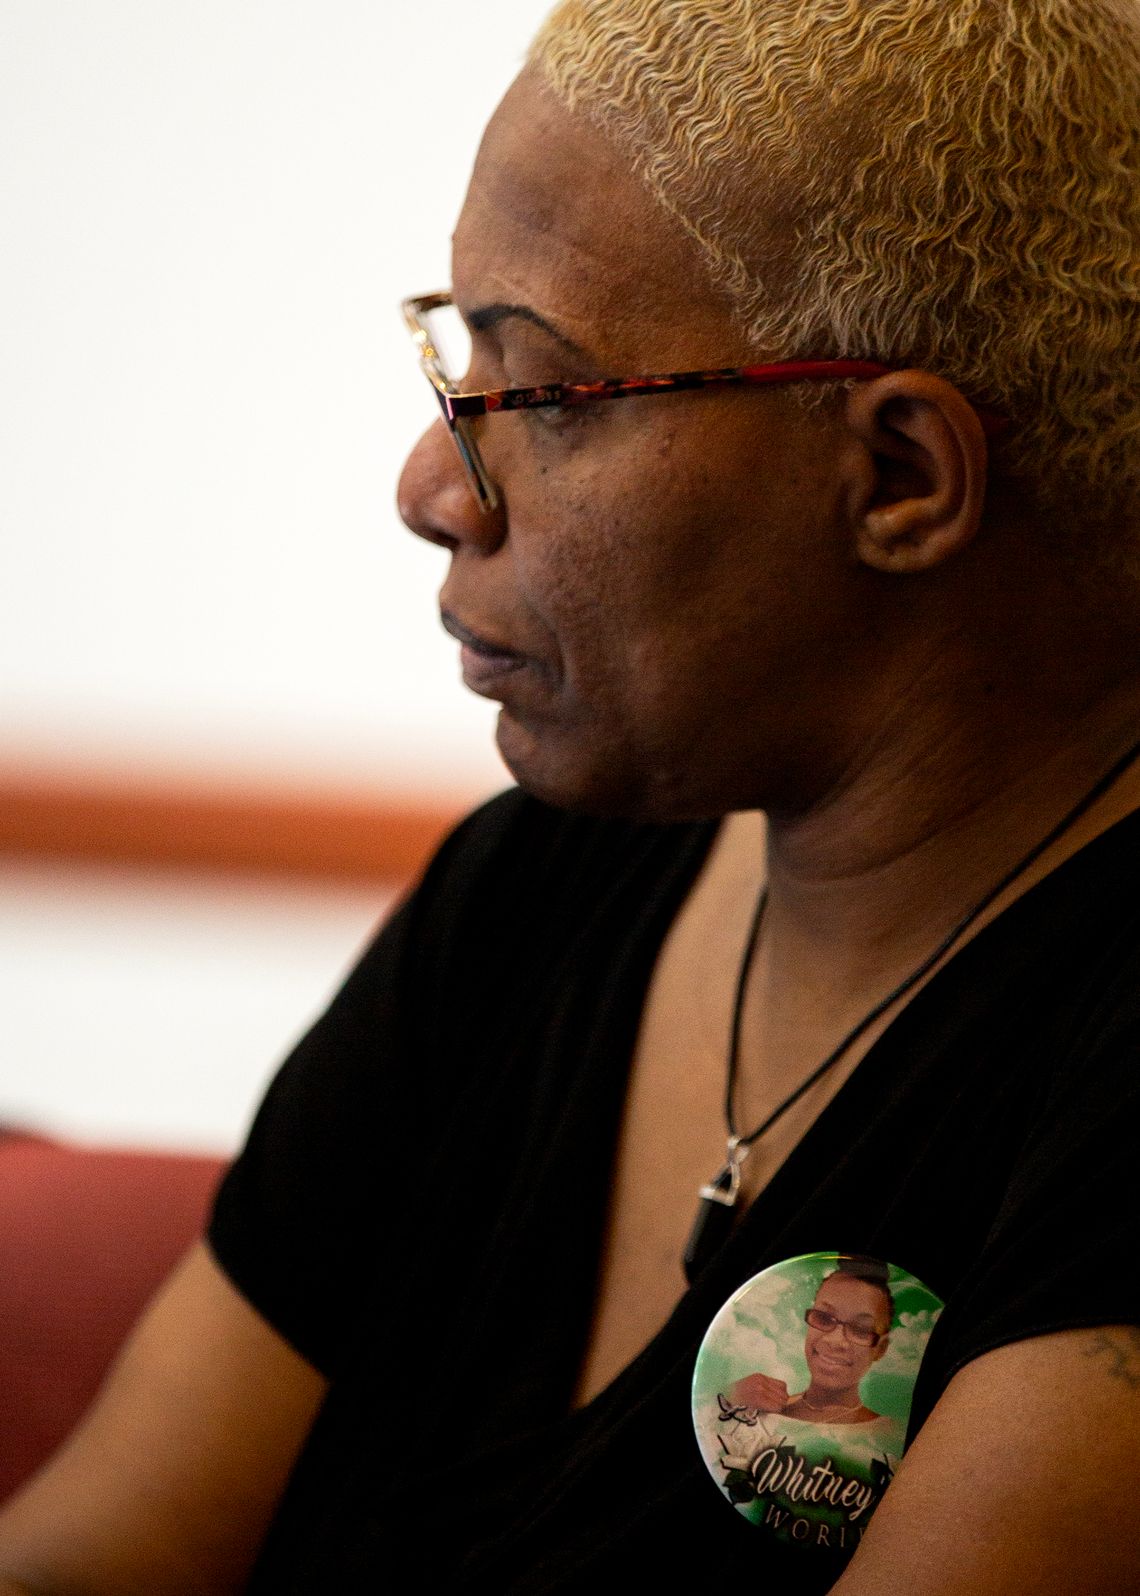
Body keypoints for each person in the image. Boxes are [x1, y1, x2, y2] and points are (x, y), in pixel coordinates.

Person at [1, 0, 1139, 1591]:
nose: (429, 485)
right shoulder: (540, 883)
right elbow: (109, 1547)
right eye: (450, 348)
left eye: (536, 392)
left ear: (895, 480)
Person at [728, 1266, 894, 1426]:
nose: (835, 1341)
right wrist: (729, 1398)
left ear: (881, 1348)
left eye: (860, 1329)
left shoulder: (892, 1435)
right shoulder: (754, 1407)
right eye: (824, 1318)